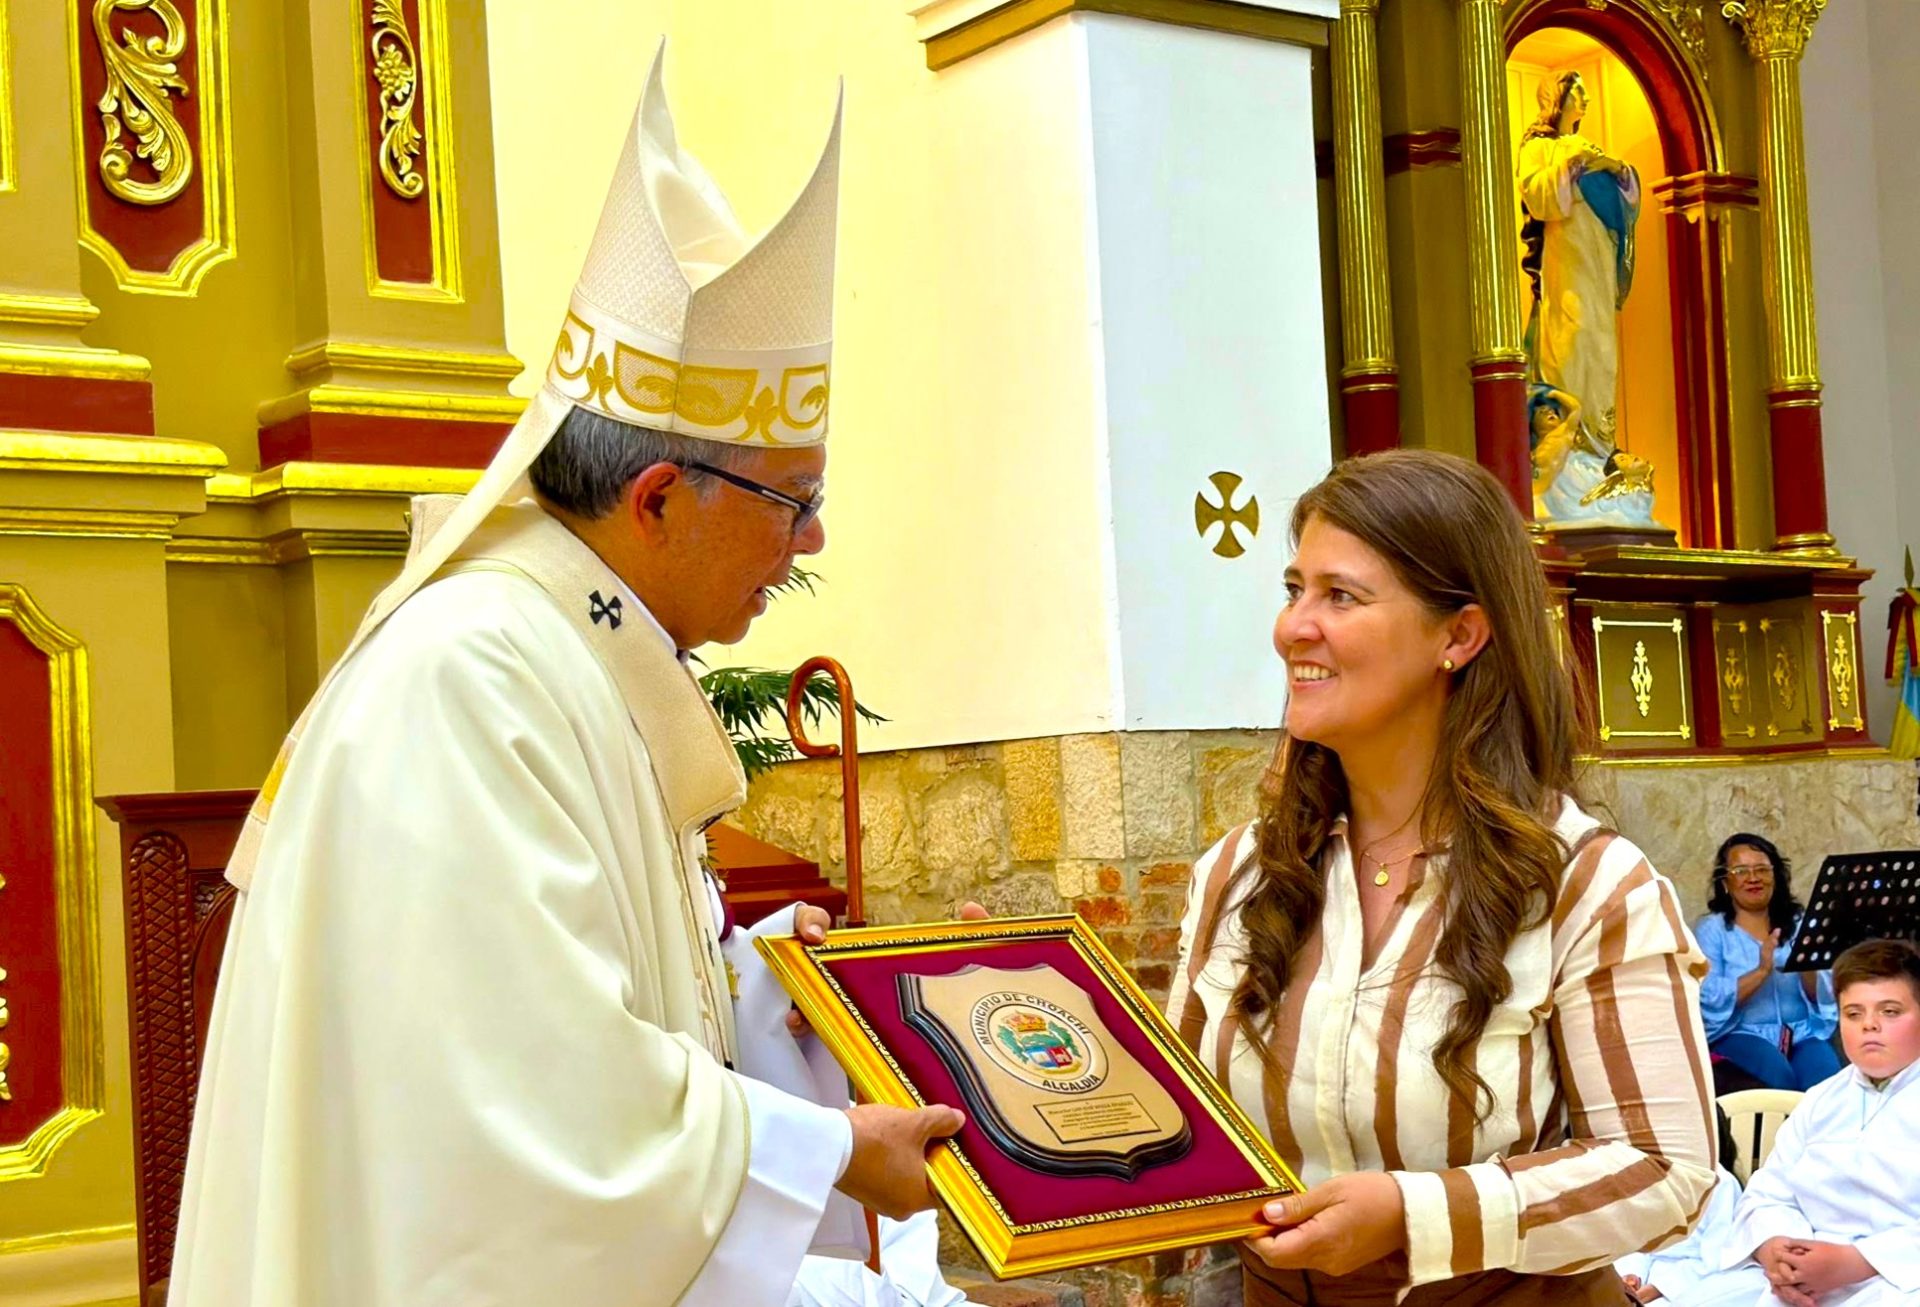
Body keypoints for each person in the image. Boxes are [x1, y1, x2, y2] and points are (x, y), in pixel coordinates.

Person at [171, 50, 963, 1307]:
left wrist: (762, 984)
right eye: (794, 500)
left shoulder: (567, 656)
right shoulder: (473, 678)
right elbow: (523, 1118)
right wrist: (828, 1152)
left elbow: (563, 1006)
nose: (809, 540)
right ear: (657, 499)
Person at [1164, 449, 1716, 1305]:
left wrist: (1417, 1215)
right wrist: (1015, 1034)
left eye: (1340, 595)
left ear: (1458, 636)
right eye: (1294, 589)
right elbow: (1178, 1127)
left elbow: (1664, 1166)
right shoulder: (1239, 872)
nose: (1292, 627)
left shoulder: (1586, 884)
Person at [1722, 937, 1920, 1306]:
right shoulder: (1821, 1099)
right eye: (1853, 1013)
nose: (1869, 1025)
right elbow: (1768, 1193)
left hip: (1901, 1280)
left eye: (1890, 1012)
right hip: (1804, 1276)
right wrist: (1777, 1249)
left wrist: (1858, 1262)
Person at [1695, 833, 1841, 1092]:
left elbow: (1823, 996)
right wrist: (1762, 971)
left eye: (1762, 869)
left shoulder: (1799, 922)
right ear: (1726, 882)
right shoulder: (1711, 930)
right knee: (1778, 1079)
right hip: (1742, 1034)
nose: (1753, 878)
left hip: (1802, 1033)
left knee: (1827, 1082)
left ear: (1776, 877)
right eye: (1741, 871)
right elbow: (1708, 997)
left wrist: (1807, 964)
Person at [1615, 1109, 1769, 1306]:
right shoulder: (1646, 1175)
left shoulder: (1722, 1184)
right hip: (1645, 1277)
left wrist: (1657, 1289)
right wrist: (1631, 1276)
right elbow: (1634, 1242)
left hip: (1698, 1281)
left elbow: (1717, 1258)